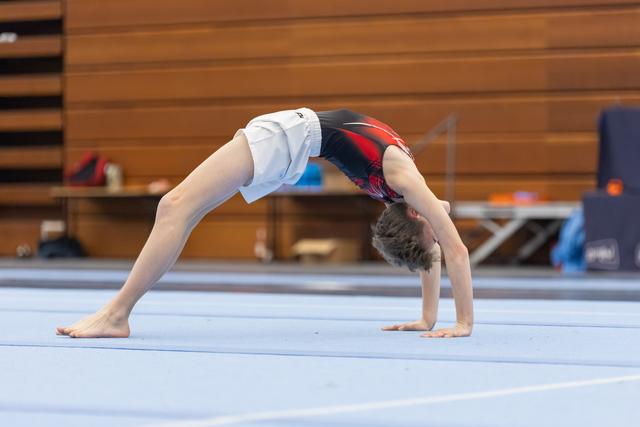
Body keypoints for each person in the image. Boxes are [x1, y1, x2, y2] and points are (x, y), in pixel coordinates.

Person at [56, 108, 474, 339]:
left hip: (291, 142)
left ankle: (117, 314)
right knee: (182, 210)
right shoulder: (404, 184)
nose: (440, 228)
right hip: (292, 137)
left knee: (174, 206)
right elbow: (452, 250)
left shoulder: (406, 194)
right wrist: (463, 324)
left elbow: (437, 248)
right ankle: (117, 313)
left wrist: (429, 318)